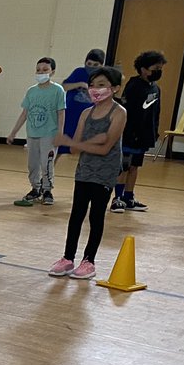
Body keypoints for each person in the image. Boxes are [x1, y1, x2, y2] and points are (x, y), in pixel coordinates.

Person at [48, 66, 127, 280]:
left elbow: (105, 147)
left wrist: (81, 143)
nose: (95, 90)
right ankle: (67, 258)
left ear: (115, 88)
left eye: (101, 85)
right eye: (92, 85)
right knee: (76, 214)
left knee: (96, 215)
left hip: (105, 172)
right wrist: (78, 142)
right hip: (84, 171)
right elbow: (74, 149)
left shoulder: (119, 113)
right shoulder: (86, 113)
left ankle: (89, 261)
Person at [7, 57, 66, 206]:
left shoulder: (57, 90)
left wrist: (60, 133)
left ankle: (47, 190)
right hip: (33, 133)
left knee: (46, 163)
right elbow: (24, 113)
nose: (41, 73)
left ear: (52, 71)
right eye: (38, 70)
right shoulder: (31, 91)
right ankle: (35, 188)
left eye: (45, 70)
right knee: (32, 164)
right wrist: (13, 132)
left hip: (49, 134)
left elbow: (61, 113)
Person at [112, 50, 166, 213]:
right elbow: (127, 110)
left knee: (135, 166)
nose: (158, 71)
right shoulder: (134, 85)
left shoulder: (156, 89)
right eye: (155, 68)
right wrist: (128, 132)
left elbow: (156, 112)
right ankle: (117, 198)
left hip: (144, 135)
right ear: (143, 69)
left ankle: (129, 197)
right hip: (130, 135)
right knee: (125, 166)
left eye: (160, 68)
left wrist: (153, 132)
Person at [58, 48, 105, 157]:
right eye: (89, 63)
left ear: (101, 65)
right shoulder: (79, 72)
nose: (91, 67)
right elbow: (64, 86)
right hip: (71, 114)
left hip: (89, 117)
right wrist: (80, 84)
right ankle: (48, 172)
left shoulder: (102, 77)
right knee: (60, 147)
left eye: (95, 64)